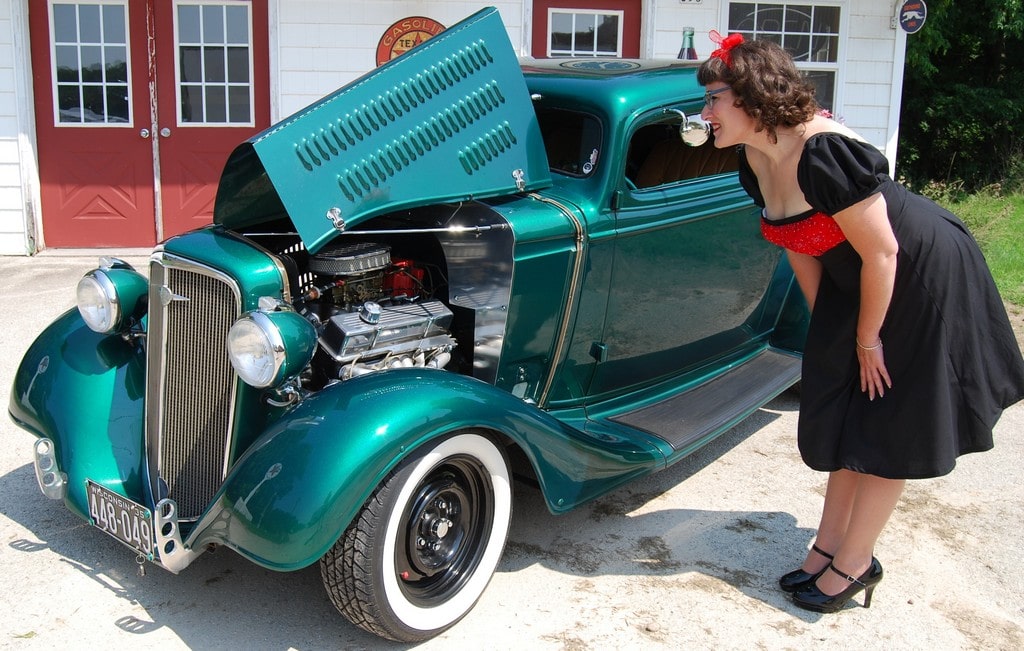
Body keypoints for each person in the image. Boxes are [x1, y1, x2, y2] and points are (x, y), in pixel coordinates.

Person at [696, 32, 1024, 614]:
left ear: (750, 96)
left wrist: (868, 339)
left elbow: (883, 252)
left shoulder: (823, 153)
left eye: (713, 98)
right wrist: (831, 326)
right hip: (858, 276)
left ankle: (856, 561)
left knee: (887, 420)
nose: (705, 113)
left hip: (917, 272)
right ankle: (826, 547)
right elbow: (796, 242)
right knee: (845, 407)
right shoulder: (754, 157)